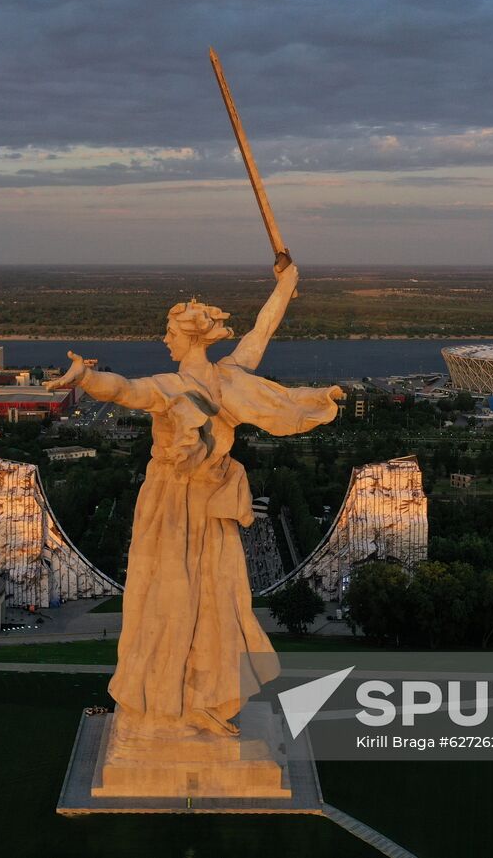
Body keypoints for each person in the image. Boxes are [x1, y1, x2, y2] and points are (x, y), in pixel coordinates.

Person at [45, 258, 343, 740]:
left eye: (170, 333)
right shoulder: (230, 375)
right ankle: (176, 702)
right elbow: (260, 335)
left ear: (188, 339)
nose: (165, 341)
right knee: (200, 600)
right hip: (196, 506)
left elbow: (125, 390)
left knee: (188, 602)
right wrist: (286, 285)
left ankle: (193, 701)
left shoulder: (176, 385)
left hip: (179, 507)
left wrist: (83, 378)